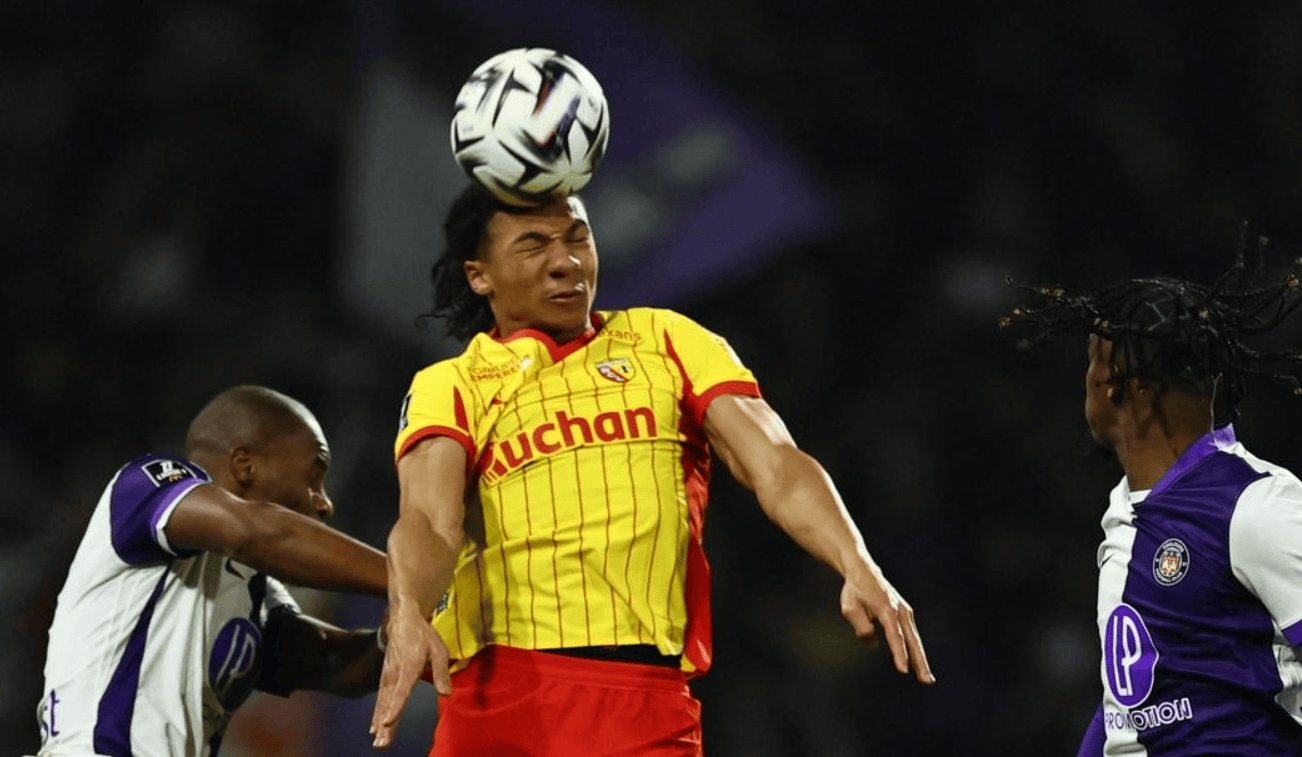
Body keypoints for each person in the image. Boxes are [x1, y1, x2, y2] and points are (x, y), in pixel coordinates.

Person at [368, 185, 935, 755]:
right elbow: (428, 520)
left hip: (643, 698)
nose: (566, 263)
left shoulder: (666, 340)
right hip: (500, 694)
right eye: (533, 246)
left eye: (578, 240)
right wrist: (409, 609)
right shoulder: (450, 384)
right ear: (479, 276)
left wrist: (854, 560)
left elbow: (776, 463)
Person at [1003, 232, 1302, 756]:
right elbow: (1129, 709)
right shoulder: (1125, 512)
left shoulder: (1256, 506)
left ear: (1120, 384)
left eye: (1092, 362)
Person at [33, 385, 390, 757]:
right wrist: (408, 579)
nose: (325, 502)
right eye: (313, 476)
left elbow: (335, 663)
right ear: (245, 465)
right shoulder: (142, 489)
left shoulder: (251, 589)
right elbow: (256, 532)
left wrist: (399, 626)